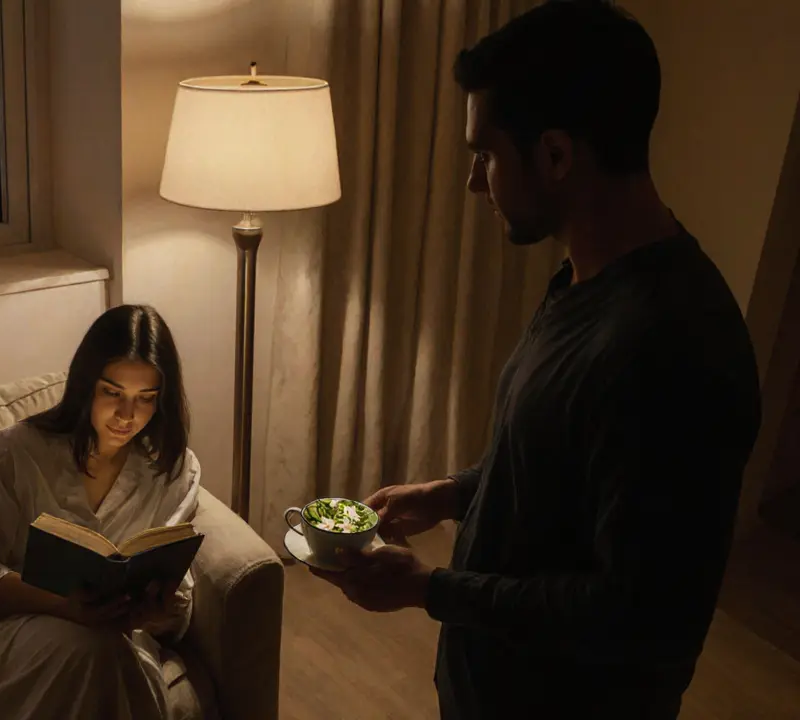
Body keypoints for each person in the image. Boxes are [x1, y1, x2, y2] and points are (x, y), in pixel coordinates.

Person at [310, 2, 763, 718]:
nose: (472, 184)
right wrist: (452, 493)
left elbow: (641, 617)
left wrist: (429, 589)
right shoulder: (584, 280)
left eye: (484, 157)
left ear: (555, 155)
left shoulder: (673, 350)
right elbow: (565, 458)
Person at [0, 304, 200, 720]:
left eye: (145, 399)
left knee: (104, 649)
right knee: (91, 649)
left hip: (121, 637)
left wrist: (158, 610)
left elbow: (177, 586)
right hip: (18, 628)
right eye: (112, 393)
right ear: (85, 384)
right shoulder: (16, 454)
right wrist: (63, 605)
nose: (128, 416)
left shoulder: (173, 468)